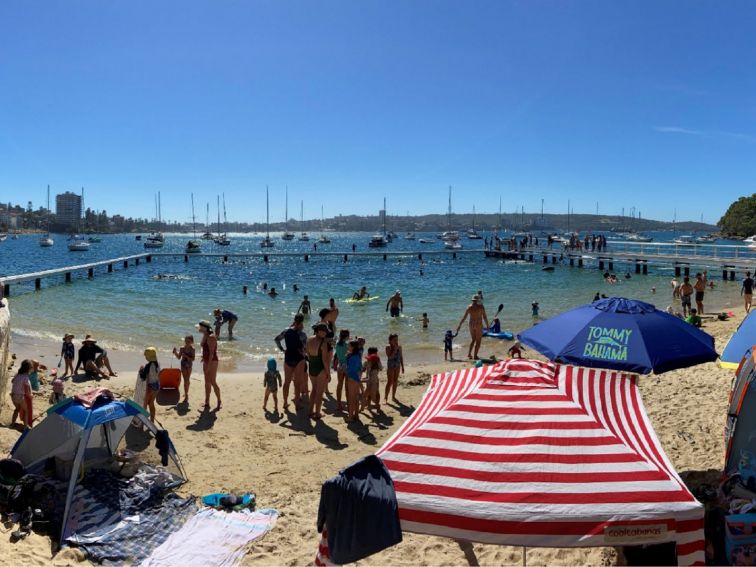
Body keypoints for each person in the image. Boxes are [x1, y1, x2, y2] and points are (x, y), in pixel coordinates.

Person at [274, 314, 308, 411]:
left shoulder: (286, 331)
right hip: (299, 359)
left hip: (288, 357)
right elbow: (304, 349)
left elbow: (276, 339)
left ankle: (285, 403)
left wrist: (282, 349)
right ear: (302, 322)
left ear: (294, 320)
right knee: (297, 383)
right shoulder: (302, 334)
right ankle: (297, 404)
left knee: (287, 382)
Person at [307, 322, 333, 420]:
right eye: (324, 331)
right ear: (319, 331)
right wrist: (328, 373)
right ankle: (317, 413)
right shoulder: (324, 343)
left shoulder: (309, 339)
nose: (326, 333)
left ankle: (310, 411)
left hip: (312, 366)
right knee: (320, 392)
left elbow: (307, 354)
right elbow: (325, 360)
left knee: (314, 389)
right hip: (320, 368)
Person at [197, 320, 222, 410]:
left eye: (200, 327)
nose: (198, 329)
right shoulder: (205, 335)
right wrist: (204, 359)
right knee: (207, 382)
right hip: (207, 361)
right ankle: (207, 402)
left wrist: (208, 364)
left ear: (204, 328)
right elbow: (205, 349)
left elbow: (212, 353)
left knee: (212, 382)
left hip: (212, 361)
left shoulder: (211, 337)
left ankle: (219, 401)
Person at [456, 294, 489, 360]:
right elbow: (484, 317)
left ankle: (469, 354)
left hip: (471, 324)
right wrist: (487, 325)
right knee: (478, 341)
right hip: (478, 325)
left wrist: (459, 325)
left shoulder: (469, 307)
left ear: (473, 300)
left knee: (473, 339)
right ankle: (475, 356)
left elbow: (464, 317)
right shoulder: (481, 307)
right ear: (478, 300)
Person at [139, 347, 160, 421]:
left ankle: (143, 421)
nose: (145, 357)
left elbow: (143, 378)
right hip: (157, 386)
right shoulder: (157, 364)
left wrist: (141, 370)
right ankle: (152, 420)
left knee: (145, 404)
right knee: (151, 403)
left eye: (146, 356)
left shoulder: (147, 366)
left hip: (150, 387)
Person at [10, 359, 33, 429]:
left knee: (17, 409)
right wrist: (30, 395)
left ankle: (12, 424)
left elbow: (12, 381)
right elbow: (26, 390)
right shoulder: (25, 377)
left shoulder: (17, 375)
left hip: (13, 395)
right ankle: (25, 427)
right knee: (26, 411)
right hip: (20, 397)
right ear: (28, 369)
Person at [172, 335, 195, 401]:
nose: (187, 342)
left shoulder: (192, 349)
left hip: (189, 365)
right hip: (183, 365)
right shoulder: (182, 348)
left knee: (187, 380)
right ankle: (186, 395)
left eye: (188, 341)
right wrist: (175, 352)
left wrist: (186, 356)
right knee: (185, 380)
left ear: (192, 342)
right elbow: (179, 357)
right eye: (185, 341)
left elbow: (193, 359)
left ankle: (186, 392)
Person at [345, 339, 363, 422]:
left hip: (352, 378)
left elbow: (351, 370)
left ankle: (350, 417)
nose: (347, 346)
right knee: (356, 397)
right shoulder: (358, 355)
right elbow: (360, 367)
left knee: (351, 398)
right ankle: (356, 415)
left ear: (352, 347)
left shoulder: (352, 357)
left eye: (349, 345)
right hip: (356, 377)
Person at [334, 329, 350, 411]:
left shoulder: (337, 344)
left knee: (339, 385)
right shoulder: (347, 345)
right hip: (346, 366)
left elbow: (337, 355)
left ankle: (338, 404)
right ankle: (348, 403)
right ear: (347, 336)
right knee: (347, 386)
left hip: (339, 365)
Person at [362, 347, 383, 412]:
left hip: (368, 380)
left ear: (368, 353)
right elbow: (381, 368)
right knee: (377, 392)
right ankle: (377, 405)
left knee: (368, 393)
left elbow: (363, 369)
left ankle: (369, 405)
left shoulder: (366, 361)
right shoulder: (378, 361)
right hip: (376, 379)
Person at [384, 334, 404, 403]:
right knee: (390, 382)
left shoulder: (399, 347)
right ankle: (386, 397)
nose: (396, 341)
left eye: (397, 339)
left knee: (395, 381)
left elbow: (401, 356)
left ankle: (393, 396)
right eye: (394, 340)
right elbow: (389, 357)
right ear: (390, 341)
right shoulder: (388, 347)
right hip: (391, 366)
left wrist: (402, 366)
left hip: (397, 366)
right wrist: (395, 350)